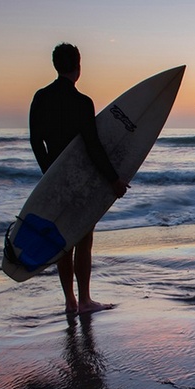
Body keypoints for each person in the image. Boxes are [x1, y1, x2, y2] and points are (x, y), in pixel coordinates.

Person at [29, 43, 129, 315]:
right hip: (82, 179)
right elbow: (92, 146)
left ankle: (69, 301)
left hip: (55, 180)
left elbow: (36, 142)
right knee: (83, 239)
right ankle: (84, 299)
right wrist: (114, 180)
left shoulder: (41, 98)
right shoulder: (82, 103)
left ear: (55, 65)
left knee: (64, 241)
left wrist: (48, 173)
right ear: (78, 66)